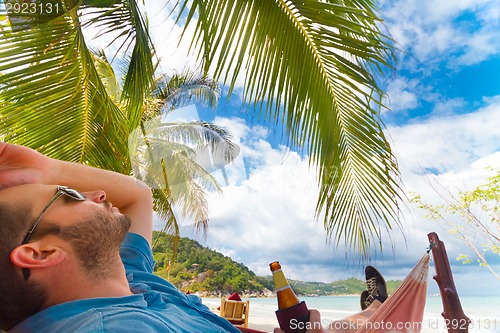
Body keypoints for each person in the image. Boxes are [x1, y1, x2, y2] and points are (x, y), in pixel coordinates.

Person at [0, 142, 388, 333]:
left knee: (361, 320)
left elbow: (138, 195)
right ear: (42, 253)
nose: (99, 193)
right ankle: (376, 312)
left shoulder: (124, 278)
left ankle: (373, 310)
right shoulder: (115, 328)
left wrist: (44, 172)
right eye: (68, 195)